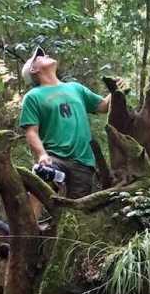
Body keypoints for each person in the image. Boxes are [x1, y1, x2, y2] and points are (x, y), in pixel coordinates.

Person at [19, 46, 109, 216]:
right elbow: (31, 131)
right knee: (39, 185)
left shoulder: (76, 88)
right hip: (54, 157)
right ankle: (28, 235)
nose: (45, 55)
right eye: (39, 57)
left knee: (78, 212)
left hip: (83, 160)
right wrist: (41, 155)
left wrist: (115, 90)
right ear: (34, 69)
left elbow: (103, 106)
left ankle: (68, 241)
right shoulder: (33, 96)